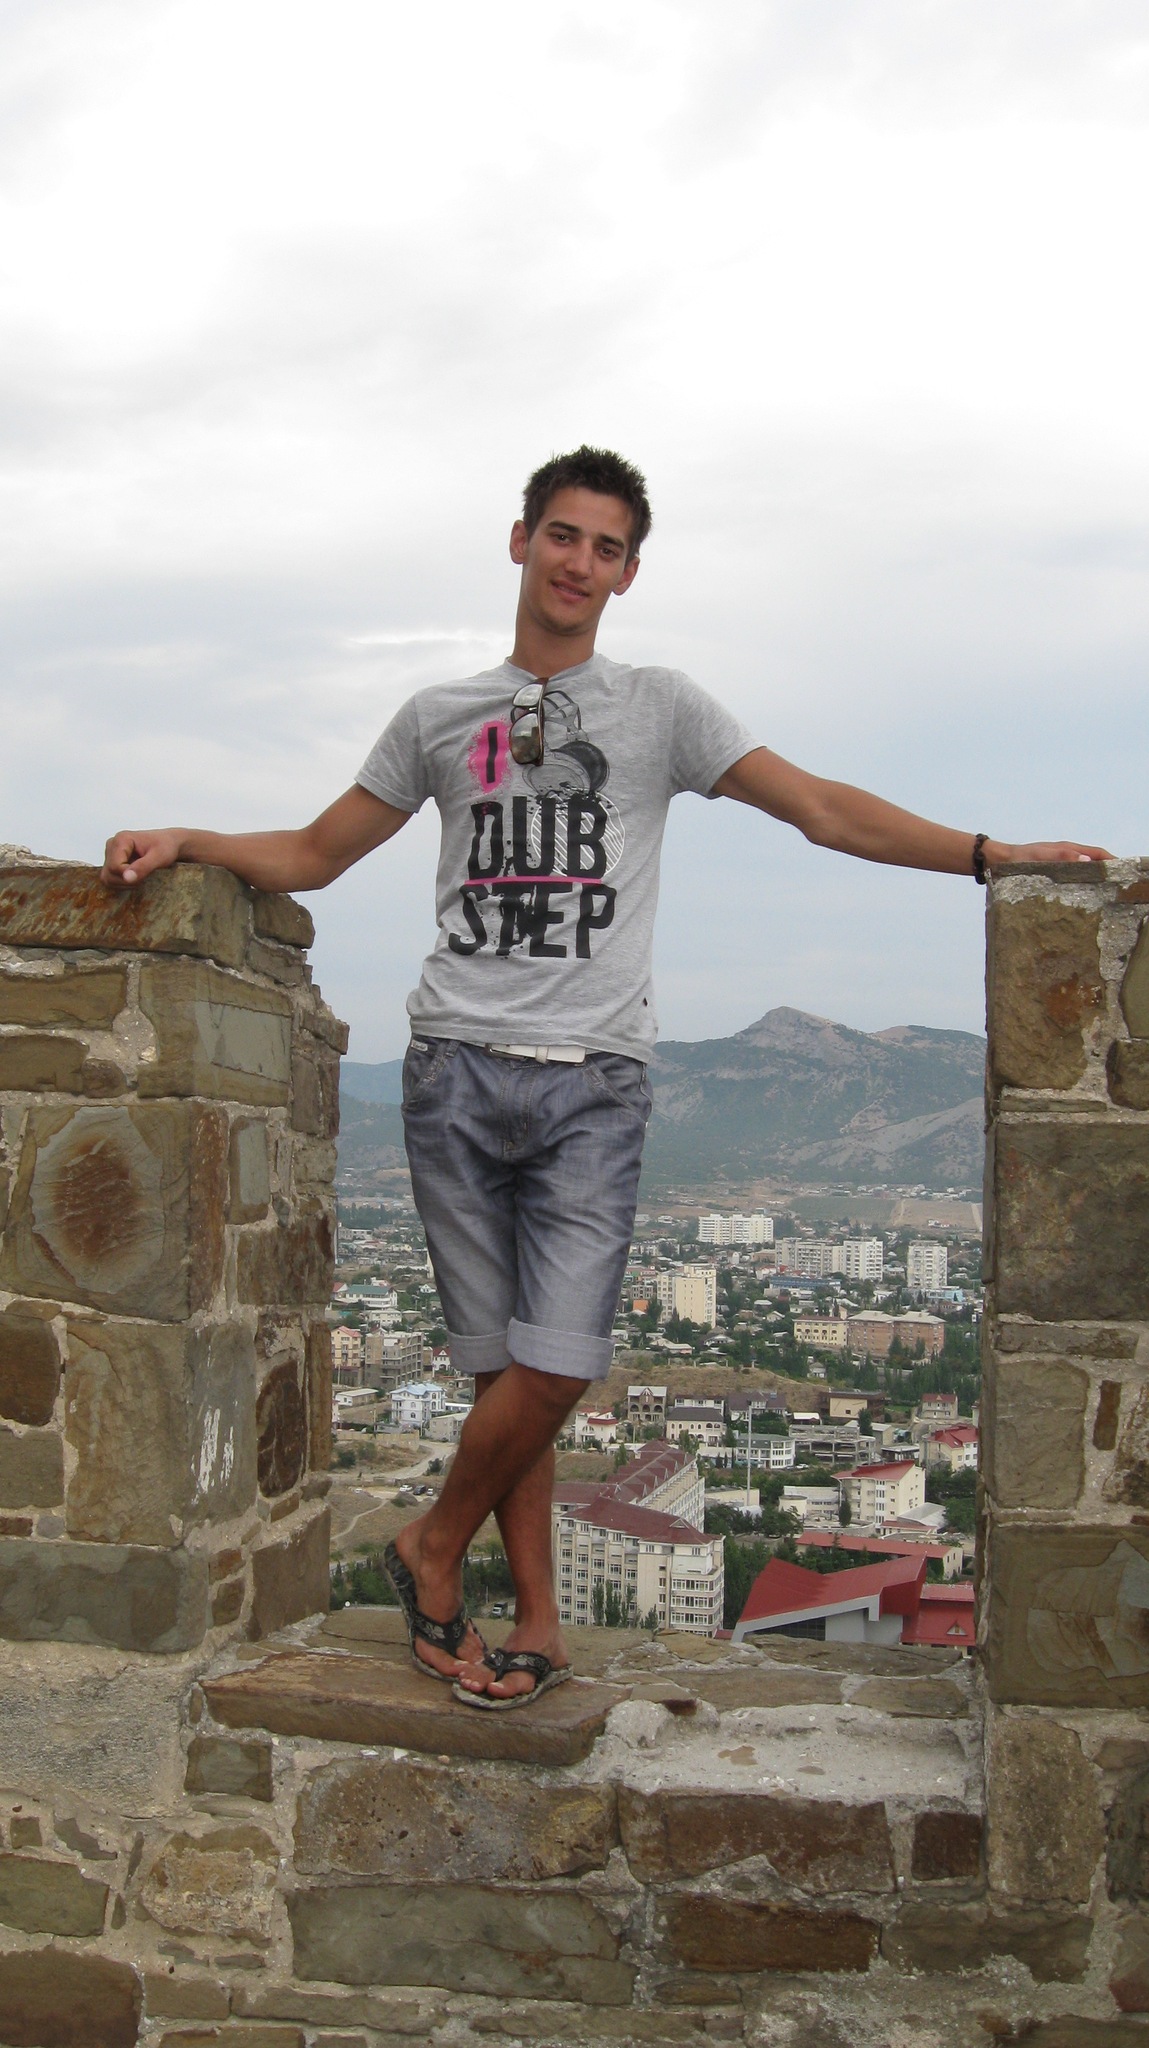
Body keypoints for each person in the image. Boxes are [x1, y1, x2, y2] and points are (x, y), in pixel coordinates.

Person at [102, 444, 1110, 1708]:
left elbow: (820, 809)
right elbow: (315, 851)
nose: (580, 562)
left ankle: (430, 1545)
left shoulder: (662, 708)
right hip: (453, 1072)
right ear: (520, 540)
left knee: (560, 1360)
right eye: (564, 534)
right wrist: (189, 836)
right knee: (503, 1375)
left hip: (592, 1083)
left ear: (629, 573)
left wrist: (985, 853)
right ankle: (537, 1623)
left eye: (608, 546)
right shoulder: (438, 716)